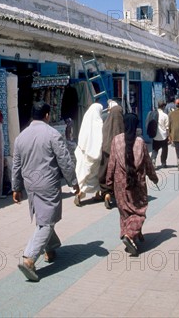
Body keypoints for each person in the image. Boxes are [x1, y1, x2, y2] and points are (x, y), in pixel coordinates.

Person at [12, 101, 79, 282]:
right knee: (47, 223)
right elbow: (65, 160)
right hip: (48, 184)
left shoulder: (21, 137)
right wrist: (73, 182)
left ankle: (51, 248)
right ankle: (29, 259)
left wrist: (16, 188)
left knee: (44, 218)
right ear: (47, 115)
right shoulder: (52, 134)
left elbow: (16, 165)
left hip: (31, 185)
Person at [106, 113, 158, 256]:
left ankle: (129, 235)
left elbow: (111, 164)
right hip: (137, 184)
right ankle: (129, 235)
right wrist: (154, 178)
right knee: (138, 211)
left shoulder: (116, 140)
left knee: (124, 211)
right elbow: (148, 163)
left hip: (120, 184)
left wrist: (108, 184)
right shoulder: (140, 142)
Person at [74, 102, 104, 206]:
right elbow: (100, 140)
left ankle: (80, 193)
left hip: (84, 153)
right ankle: (97, 194)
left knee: (84, 174)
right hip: (95, 154)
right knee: (96, 176)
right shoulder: (99, 123)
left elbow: (81, 138)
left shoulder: (85, 121)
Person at [98, 102, 124, 209]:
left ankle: (106, 194)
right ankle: (116, 195)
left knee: (105, 172)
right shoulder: (122, 125)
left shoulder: (106, 124)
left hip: (106, 152)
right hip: (118, 154)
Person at [151, 101, 169, 168]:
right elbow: (167, 127)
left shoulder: (153, 114)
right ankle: (163, 163)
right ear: (163, 107)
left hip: (155, 135)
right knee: (165, 149)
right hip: (163, 136)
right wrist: (168, 136)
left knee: (154, 149)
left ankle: (153, 160)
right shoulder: (165, 116)